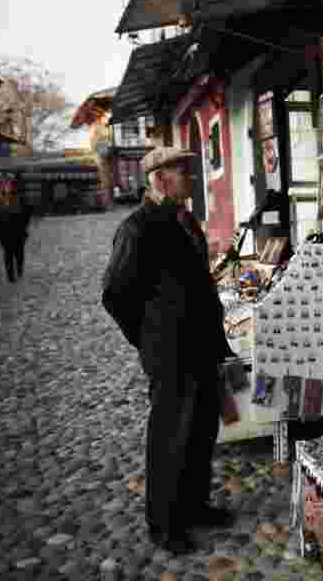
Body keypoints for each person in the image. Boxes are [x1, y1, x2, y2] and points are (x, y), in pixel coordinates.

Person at [101, 147, 237, 555]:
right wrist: (148, 338)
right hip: (170, 351)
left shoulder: (183, 219)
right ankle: (164, 521)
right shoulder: (138, 227)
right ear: (160, 179)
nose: (192, 178)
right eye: (183, 172)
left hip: (201, 345)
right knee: (171, 434)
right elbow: (116, 294)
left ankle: (194, 505)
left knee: (200, 430)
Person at [0, 179, 31, 282]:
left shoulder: (20, 198)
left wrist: (24, 225)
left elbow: (27, 212)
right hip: (8, 230)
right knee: (11, 253)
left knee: (16, 253)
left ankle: (17, 270)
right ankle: (12, 274)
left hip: (15, 230)